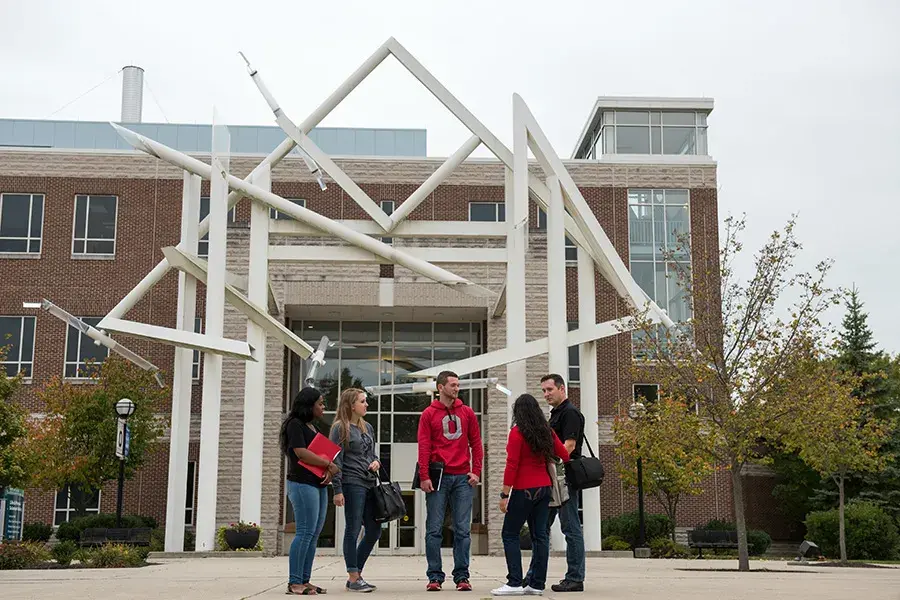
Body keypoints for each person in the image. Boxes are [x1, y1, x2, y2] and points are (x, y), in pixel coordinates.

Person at [492, 394, 570, 597]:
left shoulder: (517, 433)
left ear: (517, 412)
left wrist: (504, 494)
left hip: (523, 490)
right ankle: (536, 584)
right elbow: (564, 455)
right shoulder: (547, 432)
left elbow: (512, 465)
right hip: (544, 488)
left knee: (509, 534)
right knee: (540, 536)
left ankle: (514, 582)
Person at [417, 370, 484, 592]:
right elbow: (424, 446)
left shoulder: (467, 413)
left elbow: (477, 443)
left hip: (462, 478)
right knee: (434, 529)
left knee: (462, 530)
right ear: (440, 388)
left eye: (458, 385)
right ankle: (435, 576)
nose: (457, 388)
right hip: (439, 478)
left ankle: (462, 576)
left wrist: (476, 471)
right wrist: (424, 476)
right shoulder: (428, 414)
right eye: (453, 385)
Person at [527, 373, 586, 593]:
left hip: (564, 477)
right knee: (540, 528)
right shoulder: (556, 414)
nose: (546, 394)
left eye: (549, 390)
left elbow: (568, 447)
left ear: (562, 389)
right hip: (553, 477)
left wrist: (549, 462)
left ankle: (575, 578)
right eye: (543, 390)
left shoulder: (570, 413)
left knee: (570, 529)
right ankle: (533, 576)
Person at [281, 386, 339, 596]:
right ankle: (294, 582)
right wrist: (328, 465)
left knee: (313, 534)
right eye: (320, 403)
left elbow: (321, 454)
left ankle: (305, 580)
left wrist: (329, 471)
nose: (323, 407)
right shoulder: (294, 424)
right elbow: (301, 453)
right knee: (304, 532)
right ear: (309, 404)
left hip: (319, 485)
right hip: (302, 484)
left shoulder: (312, 426)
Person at [330, 388, 382, 593]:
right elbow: (335, 460)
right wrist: (337, 489)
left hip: (370, 483)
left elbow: (372, 454)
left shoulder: (367, 427)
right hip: (352, 483)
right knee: (352, 529)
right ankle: (353, 576)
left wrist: (376, 461)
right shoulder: (338, 428)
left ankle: (356, 573)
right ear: (351, 405)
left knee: (374, 530)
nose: (366, 404)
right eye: (362, 401)